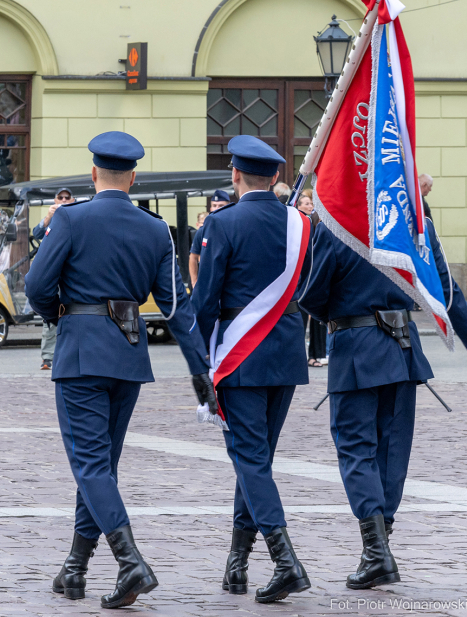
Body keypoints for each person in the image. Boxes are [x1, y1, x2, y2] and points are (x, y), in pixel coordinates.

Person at [24, 131, 215, 609]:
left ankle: (130, 561)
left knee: (90, 465)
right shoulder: (155, 230)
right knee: (101, 467)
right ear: (133, 177)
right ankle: (75, 568)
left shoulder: (70, 218)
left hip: (82, 351)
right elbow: (177, 306)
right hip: (129, 356)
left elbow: (36, 285)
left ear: (93, 174)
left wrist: (61, 317)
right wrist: (200, 370)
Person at [299, 217, 467, 590]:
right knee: (392, 452)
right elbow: (445, 291)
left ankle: (377, 552)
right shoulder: (416, 224)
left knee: (356, 450)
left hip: (354, 347)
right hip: (402, 348)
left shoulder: (335, 221)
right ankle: (379, 549)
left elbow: (312, 294)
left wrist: (342, 316)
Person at [192, 135, 313, 604]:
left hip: (242, 357)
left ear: (236, 175)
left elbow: (207, 297)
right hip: (284, 353)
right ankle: (237, 563)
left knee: (249, 460)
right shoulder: (300, 224)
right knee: (255, 461)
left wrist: (200, 355)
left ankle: (285, 561)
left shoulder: (223, 223)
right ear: (277, 177)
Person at [33, 188, 75, 371]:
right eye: (60, 197)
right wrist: (49, 216)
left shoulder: (77, 214)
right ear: (55, 199)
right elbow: (36, 233)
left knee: (74, 313)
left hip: (72, 274)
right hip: (53, 273)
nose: (64, 200)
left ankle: (70, 357)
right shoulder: (53, 216)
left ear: (73, 200)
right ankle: (47, 358)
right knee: (50, 316)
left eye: (67, 197)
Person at [296, 192, 327, 365]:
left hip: (314, 273)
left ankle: (315, 355)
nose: (309, 206)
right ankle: (299, 355)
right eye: (306, 203)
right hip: (301, 276)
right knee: (300, 318)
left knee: (316, 317)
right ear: (299, 206)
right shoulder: (298, 222)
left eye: (310, 203)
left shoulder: (316, 221)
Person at [189, 189, 231, 286]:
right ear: (210, 208)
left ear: (228, 207)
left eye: (221, 205)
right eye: (214, 206)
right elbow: (193, 257)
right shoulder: (203, 231)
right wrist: (194, 282)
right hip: (208, 283)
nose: (217, 208)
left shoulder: (235, 229)